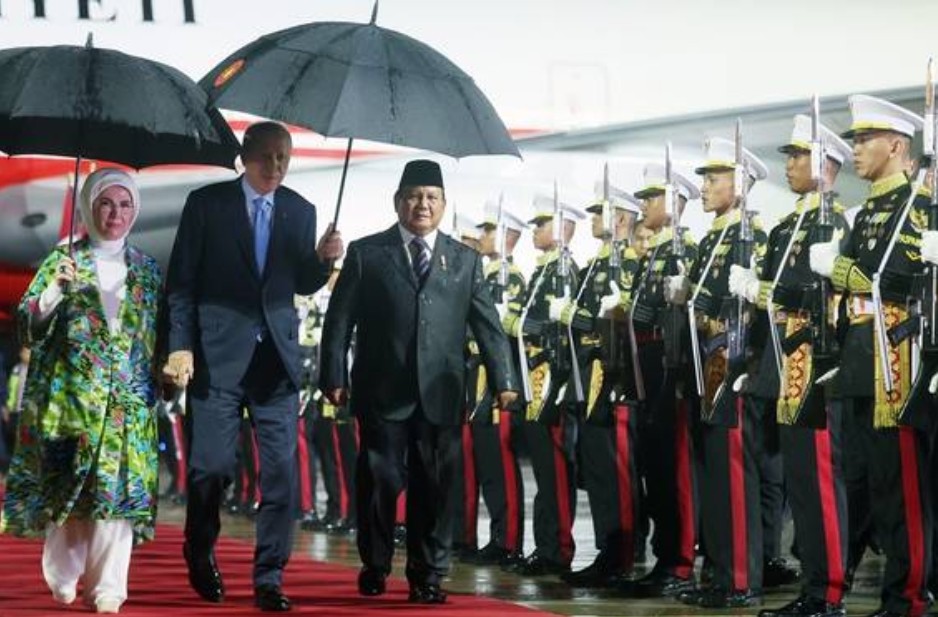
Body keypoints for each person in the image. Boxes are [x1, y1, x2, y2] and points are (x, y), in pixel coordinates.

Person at [162, 120, 343, 612]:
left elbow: (299, 282)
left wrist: (323, 261)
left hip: (275, 364)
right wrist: (180, 347)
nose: (276, 167)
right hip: (217, 359)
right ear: (245, 156)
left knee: (282, 475)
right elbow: (181, 284)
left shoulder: (300, 210)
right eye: (267, 156)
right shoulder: (207, 205)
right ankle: (199, 548)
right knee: (211, 468)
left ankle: (269, 577)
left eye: (284, 158)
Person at [319, 159, 517, 604]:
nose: (422, 205)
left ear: (443, 204)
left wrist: (504, 380)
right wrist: (333, 374)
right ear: (398, 202)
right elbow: (339, 320)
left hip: (440, 394)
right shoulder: (367, 253)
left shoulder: (464, 260)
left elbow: (487, 325)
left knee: (436, 488)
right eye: (413, 196)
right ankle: (375, 562)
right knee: (379, 480)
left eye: (431, 197)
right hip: (381, 390)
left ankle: (428, 573)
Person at [1, 168, 162, 614]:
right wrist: (53, 292)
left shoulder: (147, 270)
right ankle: (63, 572)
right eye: (106, 204)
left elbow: (158, 334)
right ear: (90, 207)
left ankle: (109, 589)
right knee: (71, 496)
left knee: (116, 496)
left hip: (127, 405)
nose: (116, 214)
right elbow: (26, 326)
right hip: (71, 402)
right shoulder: (63, 260)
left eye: (125, 205)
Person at [810, 95, 932, 617]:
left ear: (897, 146)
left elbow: (897, 280)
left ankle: (909, 595)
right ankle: (890, 591)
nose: (856, 149)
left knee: (903, 491)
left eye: (865, 140)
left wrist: (839, 270)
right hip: (862, 359)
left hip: (896, 360)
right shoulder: (868, 213)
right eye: (856, 140)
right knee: (873, 489)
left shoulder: (917, 206)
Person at [739, 114, 852, 617]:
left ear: (826, 164)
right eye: (789, 156)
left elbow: (819, 295)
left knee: (821, 482)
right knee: (800, 487)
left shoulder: (834, 222)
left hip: (816, 365)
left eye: (799, 156)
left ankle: (828, 591)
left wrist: (766, 292)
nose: (789, 164)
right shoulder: (788, 226)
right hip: (784, 369)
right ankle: (813, 587)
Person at [667, 136, 769, 608]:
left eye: (714, 178)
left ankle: (740, 579)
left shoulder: (752, 235)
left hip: (732, 365)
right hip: (704, 367)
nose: (704, 187)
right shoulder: (711, 239)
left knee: (733, 475)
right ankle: (718, 570)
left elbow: (750, 309)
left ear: (740, 183)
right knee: (711, 475)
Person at [553, 183, 643, 588]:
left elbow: (617, 323)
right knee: (598, 470)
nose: (592, 219)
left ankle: (621, 554)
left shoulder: (627, 264)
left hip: (614, 377)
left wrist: (575, 316)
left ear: (620, 218)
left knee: (616, 470)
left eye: (599, 212)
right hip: (589, 378)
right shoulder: (595, 264)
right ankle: (609, 547)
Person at [620, 161, 700, 599]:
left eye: (652, 197)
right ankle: (665, 555)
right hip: (647, 365)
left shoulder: (681, 251)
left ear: (674, 202)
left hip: (671, 366)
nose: (644, 205)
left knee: (674, 468)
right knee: (654, 465)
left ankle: (679, 561)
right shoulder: (653, 254)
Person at [502, 195, 584, 576]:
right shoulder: (542, 272)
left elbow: (560, 329)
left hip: (553, 378)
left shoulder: (565, 272)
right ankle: (546, 544)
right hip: (533, 378)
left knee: (555, 468)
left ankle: (559, 547)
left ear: (563, 227)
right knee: (542, 468)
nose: (534, 231)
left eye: (542, 224)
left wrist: (522, 325)